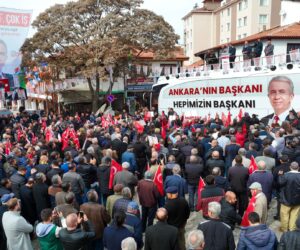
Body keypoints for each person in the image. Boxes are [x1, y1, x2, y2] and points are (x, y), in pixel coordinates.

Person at [164, 186, 190, 250]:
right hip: (181, 225)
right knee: (181, 239)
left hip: (171, 227)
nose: (166, 195)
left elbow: (165, 218)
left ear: (171, 194)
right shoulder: (183, 200)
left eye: (167, 193)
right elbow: (187, 213)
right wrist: (184, 221)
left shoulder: (167, 205)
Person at [278, 161, 300, 232]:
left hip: (286, 199)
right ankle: (292, 229)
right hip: (297, 200)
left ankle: (285, 229)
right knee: (295, 215)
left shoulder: (286, 175)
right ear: (298, 168)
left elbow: (280, 183)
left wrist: (280, 175)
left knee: (284, 215)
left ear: (290, 167)